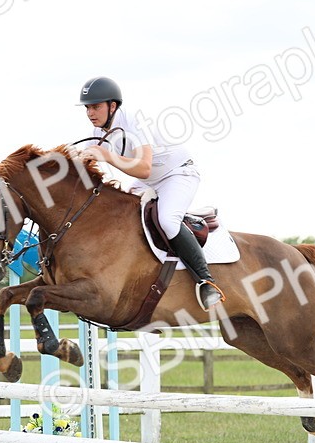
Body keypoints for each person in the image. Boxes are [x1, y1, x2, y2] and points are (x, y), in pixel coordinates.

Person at [76, 76, 224, 311]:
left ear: (112, 106)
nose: (90, 113)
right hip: (150, 182)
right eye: (87, 107)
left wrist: (105, 156)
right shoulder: (97, 130)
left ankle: (207, 282)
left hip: (178, 174)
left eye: (96, 106)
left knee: (167, 219)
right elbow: (82, 170)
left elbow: (144, 168)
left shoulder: (134, 121)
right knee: (122, 214)